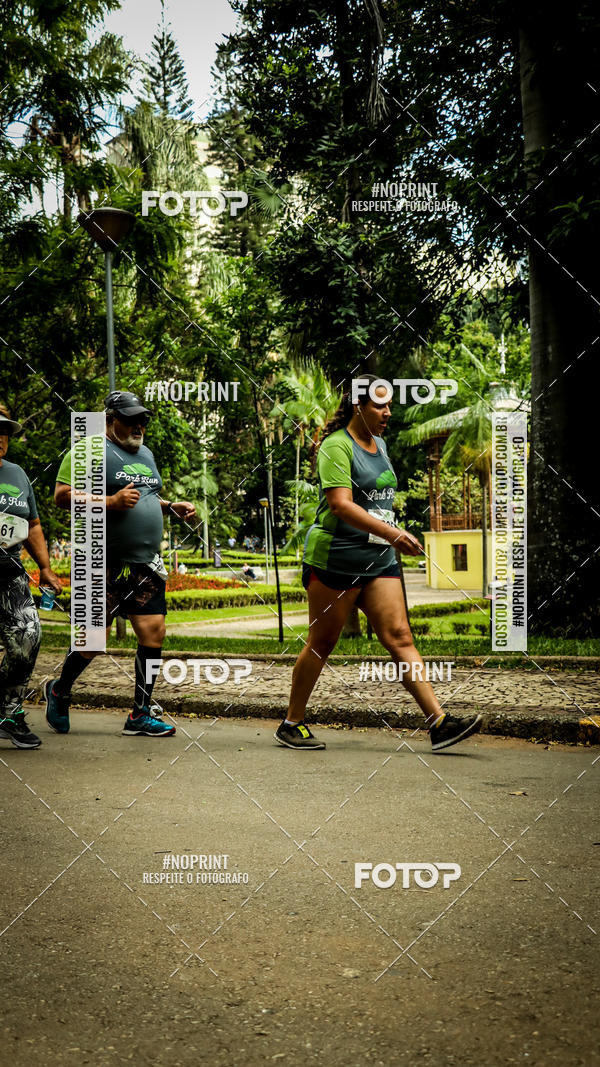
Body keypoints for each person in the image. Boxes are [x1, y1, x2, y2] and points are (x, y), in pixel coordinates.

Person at [275, 375, 482, 752]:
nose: (387, 413)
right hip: (337, 557)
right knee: (323, 642)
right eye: (379, 406)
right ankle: (292, 722)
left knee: (399, 636)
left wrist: (390, 534)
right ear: (358, 406)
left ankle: (439, 722)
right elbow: (340, 504)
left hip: (378, 557)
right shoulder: (335, 447)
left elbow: (377, 503)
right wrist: (393, 534)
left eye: (389, 406)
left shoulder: (381, 445)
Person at [45, 391, 196, 738]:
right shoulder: (87, 449)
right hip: (102, 562)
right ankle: (59, 689)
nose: (138, 426)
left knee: (153, 632)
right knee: (93, 641)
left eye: (142, 420)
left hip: (144, 564)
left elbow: (146, 496)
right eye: (130, 420)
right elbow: (62, 496)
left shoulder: (145, 454)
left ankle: (140, 713)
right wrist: (109, 502)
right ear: (110, 419)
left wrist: (171, 506)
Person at [0, 406, 62, 748]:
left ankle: (7, 711)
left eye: (5, 432)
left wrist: (46, 568)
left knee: (28, 638)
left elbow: (33, 525)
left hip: (9, 574)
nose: (0, 438)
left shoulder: (18, 475)